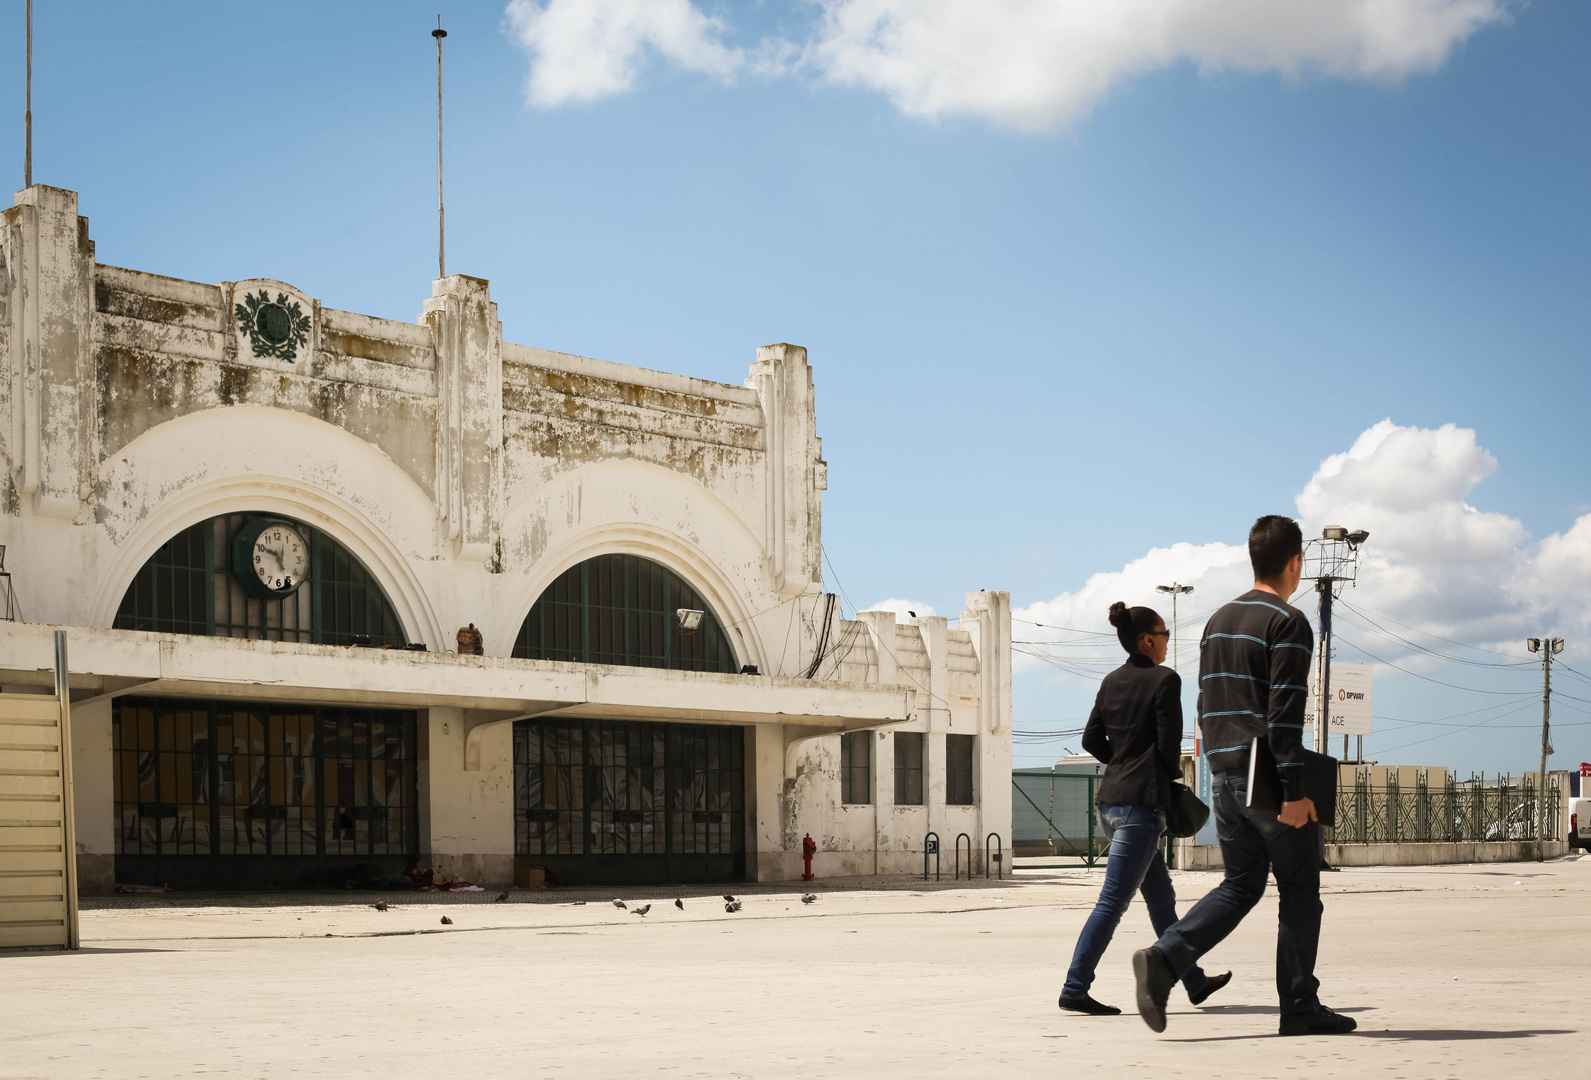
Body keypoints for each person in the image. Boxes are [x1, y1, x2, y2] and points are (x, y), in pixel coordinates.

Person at [1131, 515, 1356, 1036]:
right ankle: (1299, 1007)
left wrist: (1219, 766)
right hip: (1270, 777)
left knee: (1242, 883)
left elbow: (1207, 702)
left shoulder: (1218, 620)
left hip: (1226, 771)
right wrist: (1296, 793)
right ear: (1296, 562)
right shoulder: (1288, 622)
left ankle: (1165, 960)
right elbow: (1284, 718)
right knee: (1300, 889)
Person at [1058, 601, 1231, 1015]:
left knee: (1160, 898)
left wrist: (1121, 759)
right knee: (1112, 902)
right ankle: (1075, 986)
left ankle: (1192, 980)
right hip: (1140, 806)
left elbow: (1089, 740)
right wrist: (1158, 770)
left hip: (1112, 803)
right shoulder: (1165, 680)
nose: (1168, 641)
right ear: (1147, 639)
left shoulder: (1110, 681)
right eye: (1165, 634)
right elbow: (1170, 744)